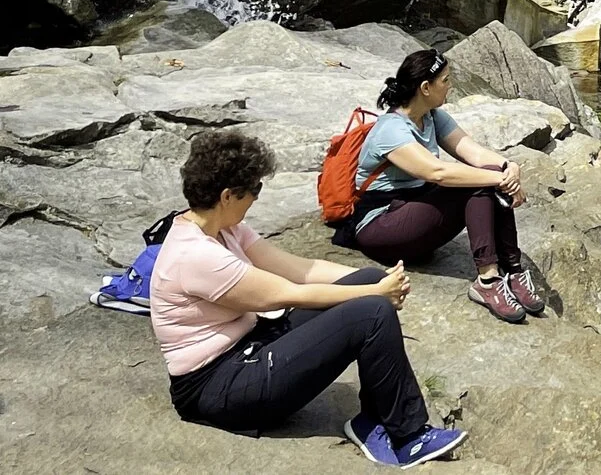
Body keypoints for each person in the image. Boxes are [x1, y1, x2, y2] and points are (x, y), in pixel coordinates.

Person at [152, 128, 464, 467]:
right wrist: (374, 294)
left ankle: (374, 421)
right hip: (219, 387)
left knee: (369, 282)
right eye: (253, 189)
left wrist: (376, 282)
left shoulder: (224, 228)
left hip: (249, 347)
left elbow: (299, 269)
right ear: (227, 196)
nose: (256, 197)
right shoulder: (196, 255)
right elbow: (289, 294)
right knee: (371, 311)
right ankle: (408, 437)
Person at [341, 49, 540, 325]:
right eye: (445, 80)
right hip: (381, 227)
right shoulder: (391, 129)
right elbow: (438, 173)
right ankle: (488, 279)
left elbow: (476, 154)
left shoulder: (433, 117)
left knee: (489, 175)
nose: (451, 86)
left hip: (412, 215)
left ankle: (512, 270)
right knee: (480, 182)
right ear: (425, 87)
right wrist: (498, 179)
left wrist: (509, 168)